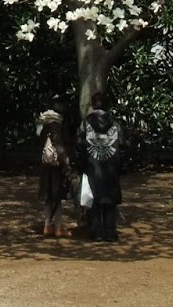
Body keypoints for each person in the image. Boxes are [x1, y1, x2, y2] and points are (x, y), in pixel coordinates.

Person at [76, 93, 124, 241]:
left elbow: (79, 146)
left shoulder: (85, 124)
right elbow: (122, 146)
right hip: (111, 168)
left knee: (94, 200)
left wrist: (81, 165)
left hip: (92, 167)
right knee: (110, 200)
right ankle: (110, 232)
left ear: (93, 104)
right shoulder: (116, 124)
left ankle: (96, 232)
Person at [36, 106, 71, 237]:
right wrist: (66, 162)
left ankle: (47, 225)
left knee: (47, 197)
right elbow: (59, 145)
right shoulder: (56, 124)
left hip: (45, 164)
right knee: (57, 197)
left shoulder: (42, 125)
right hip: (56, 165)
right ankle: (58, 227)